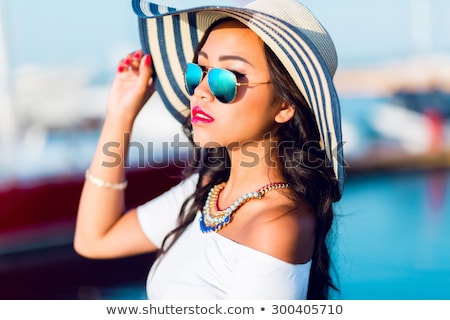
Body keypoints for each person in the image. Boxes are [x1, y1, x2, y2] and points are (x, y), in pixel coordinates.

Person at [74, 0, 345, 299]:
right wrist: (120, 114)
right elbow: (95, 239)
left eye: (227, 78)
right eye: (198, 71)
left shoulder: (277, 225)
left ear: (285, 105)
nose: (201, 90)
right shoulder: (209, 191)